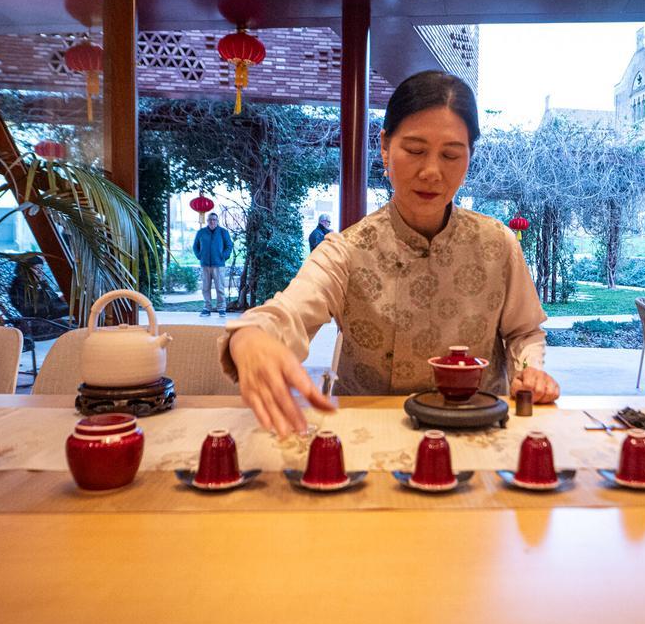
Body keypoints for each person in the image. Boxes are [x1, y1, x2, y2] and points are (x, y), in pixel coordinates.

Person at [222, 70, 559, 436]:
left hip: (476, 429)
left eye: (450, 155)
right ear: (385, 146)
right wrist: (251, 337)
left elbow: (525, 331)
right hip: (370, 434)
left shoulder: (498, 244)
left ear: (469, 157)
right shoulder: (347, 250)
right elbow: (289, 311)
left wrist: (530, 371)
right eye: (415, 150)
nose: (431, 171)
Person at [193, 212, 233, 318]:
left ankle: (222, 308)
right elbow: (195, 246)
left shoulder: (223, 232)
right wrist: (200, 256)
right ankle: (207, 308)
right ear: (207, 221)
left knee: (220, 287)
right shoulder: (201, 232)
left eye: (214, 219)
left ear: (217, 221)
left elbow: (229, 245)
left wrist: (223, 256)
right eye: (210, 219)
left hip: (219, 265)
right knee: (205, 288)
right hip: (205, 265)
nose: (212, 221)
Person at [7, 254, 70, 319]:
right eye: (36, 268)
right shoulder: (17, 289)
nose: (40, 272)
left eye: (41, 268)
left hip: (57, 312)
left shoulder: (41, 283)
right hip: (46, 320)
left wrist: (61, 299)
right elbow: (29, 311)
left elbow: (53, 298)